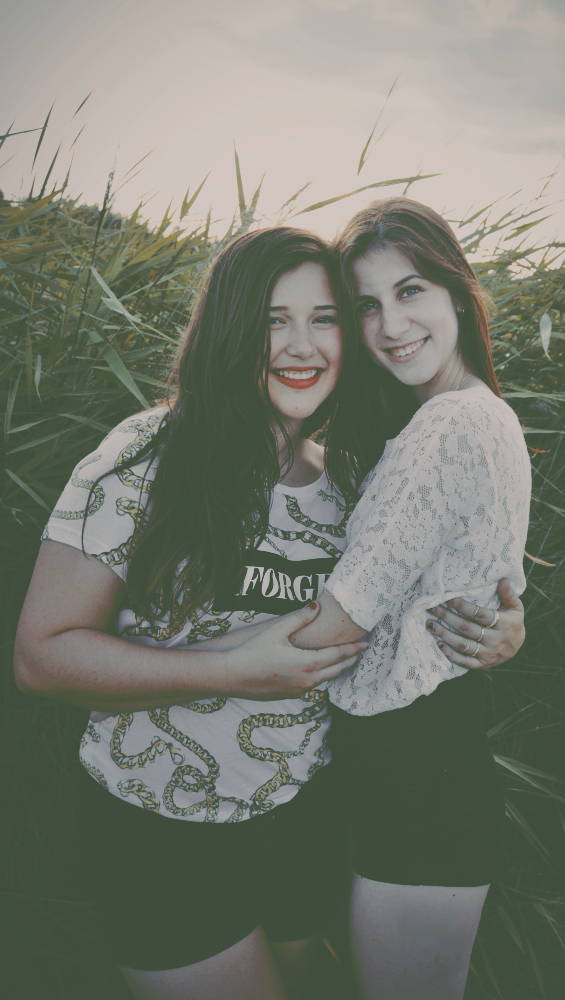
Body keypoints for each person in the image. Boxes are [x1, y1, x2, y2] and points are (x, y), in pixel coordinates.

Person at [14, 223, 525, 1000]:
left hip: (305, 823)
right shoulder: (148, 455)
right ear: (229, 327)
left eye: (324, 319)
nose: (301, 345)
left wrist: (497, 630)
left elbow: (406, 615)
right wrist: (230, 672)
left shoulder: (350, 481)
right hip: (158, 832)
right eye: (272, 320)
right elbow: (41, 657)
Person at [276, 197, 533, 1000]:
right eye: (366, 306)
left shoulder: (452, 426)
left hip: (421, 781)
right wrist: (508, 629)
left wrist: (148, 661)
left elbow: (339, 622)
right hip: (404, 770)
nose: (390, 326)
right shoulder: (463, 415)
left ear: (457, 291)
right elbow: (471, 587)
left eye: (410, 291)